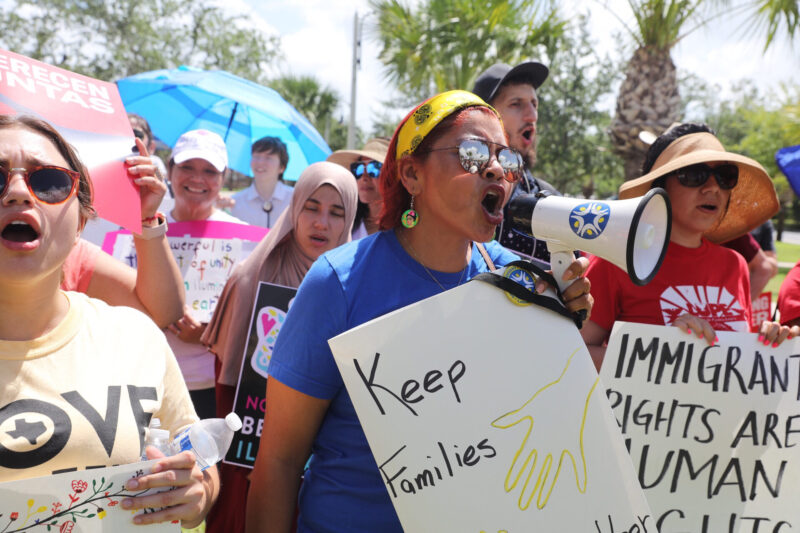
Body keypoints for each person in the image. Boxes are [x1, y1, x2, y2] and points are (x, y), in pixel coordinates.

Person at [245, 90, 592, 533]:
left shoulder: (522, 283)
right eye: (471, 153)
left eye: (506, 160)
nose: (495, 170)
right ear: (412, 174)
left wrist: (563, 323)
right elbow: (279, 460)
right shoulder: (338, 284)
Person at [0, 115, 218, 528]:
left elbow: (200, 465)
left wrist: (198, 491)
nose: (17, 192)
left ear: (81, 223)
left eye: (48, 182)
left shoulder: (136, 337)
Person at [201, 161, 357, 533]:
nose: (321, 223)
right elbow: (227, 383)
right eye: (311, 208)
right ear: (294, 208)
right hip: (245, 459)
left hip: (322, 461)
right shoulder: (251, 276)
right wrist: (253, 455)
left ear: (350, 219)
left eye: (336, 213)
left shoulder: (355, 289)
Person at [581, 123, 796, 370]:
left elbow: (732, 360)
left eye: (725, 176)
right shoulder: (617, 260)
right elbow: (574, 353)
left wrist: (766, 343)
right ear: (660, 186)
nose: (713, 187)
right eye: (694, 174)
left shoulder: (735, 265)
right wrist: (661, 357)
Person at [61, 135, 185, 328]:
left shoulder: (73, 259)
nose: (20, 192)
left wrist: (145, 218)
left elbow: (164, 313)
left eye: (45, 180)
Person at [165, 129, 245, 419]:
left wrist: (208, 336)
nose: (197, 179)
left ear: (223, 179)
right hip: (148, 380)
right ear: (170, 171)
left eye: (210, 171)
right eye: (187, 167)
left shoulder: (244, 241)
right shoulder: (143, 230)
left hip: (211, 387)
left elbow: (252, 322)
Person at [471, 61, 560, 266]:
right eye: (516, 104)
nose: (532, 116)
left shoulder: (551, 203)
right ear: (485, 116)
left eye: (534, 104)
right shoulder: (453, 196)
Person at [327, 137, 389, 239]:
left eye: (374, 168)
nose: (364, 177)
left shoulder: (409, 226)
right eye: (358, 168)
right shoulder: (345, 223)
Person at [230, 136, 293, 228]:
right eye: (256, 156)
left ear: (282, 167)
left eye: (268, 158)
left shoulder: (294, 199)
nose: (260, 162)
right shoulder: (235, 202)